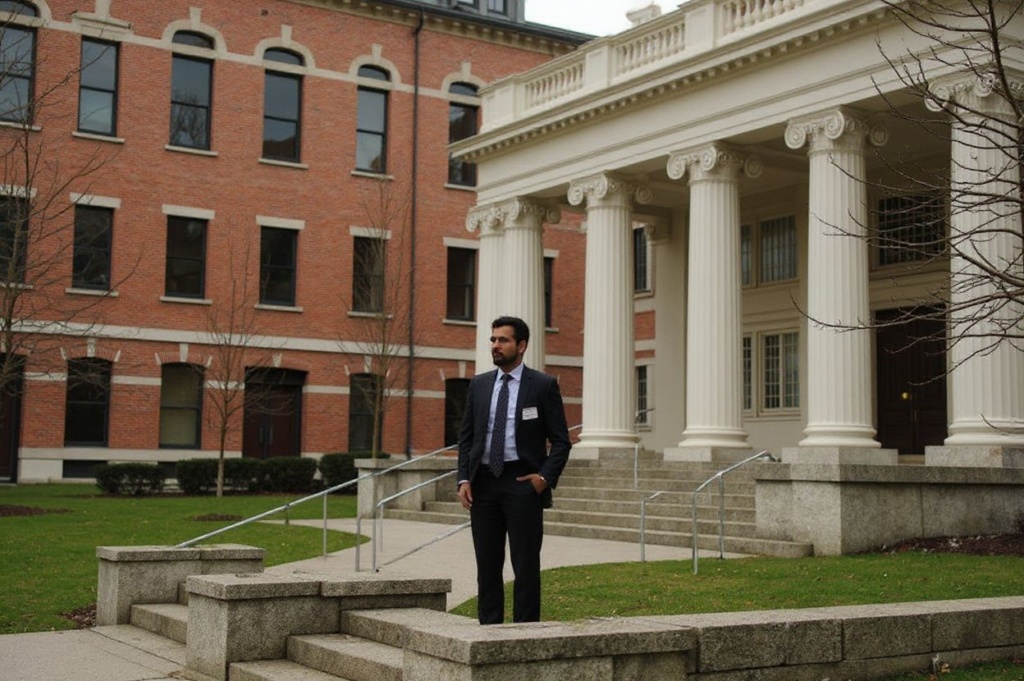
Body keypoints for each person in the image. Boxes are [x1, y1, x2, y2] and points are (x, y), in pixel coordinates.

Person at [457, 315, 572, 624]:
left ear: (521, 345)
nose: (495, 346)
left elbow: (561, 442)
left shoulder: (543, 386)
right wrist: (464, 478)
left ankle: (525, 634)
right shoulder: (480, 385)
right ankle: (489, 633)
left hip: (523, 484)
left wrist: (543, 479)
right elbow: (467, 438)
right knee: (488, 567)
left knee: (525, 567)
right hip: (483, 486)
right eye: (493, 340)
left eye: (502, 340)